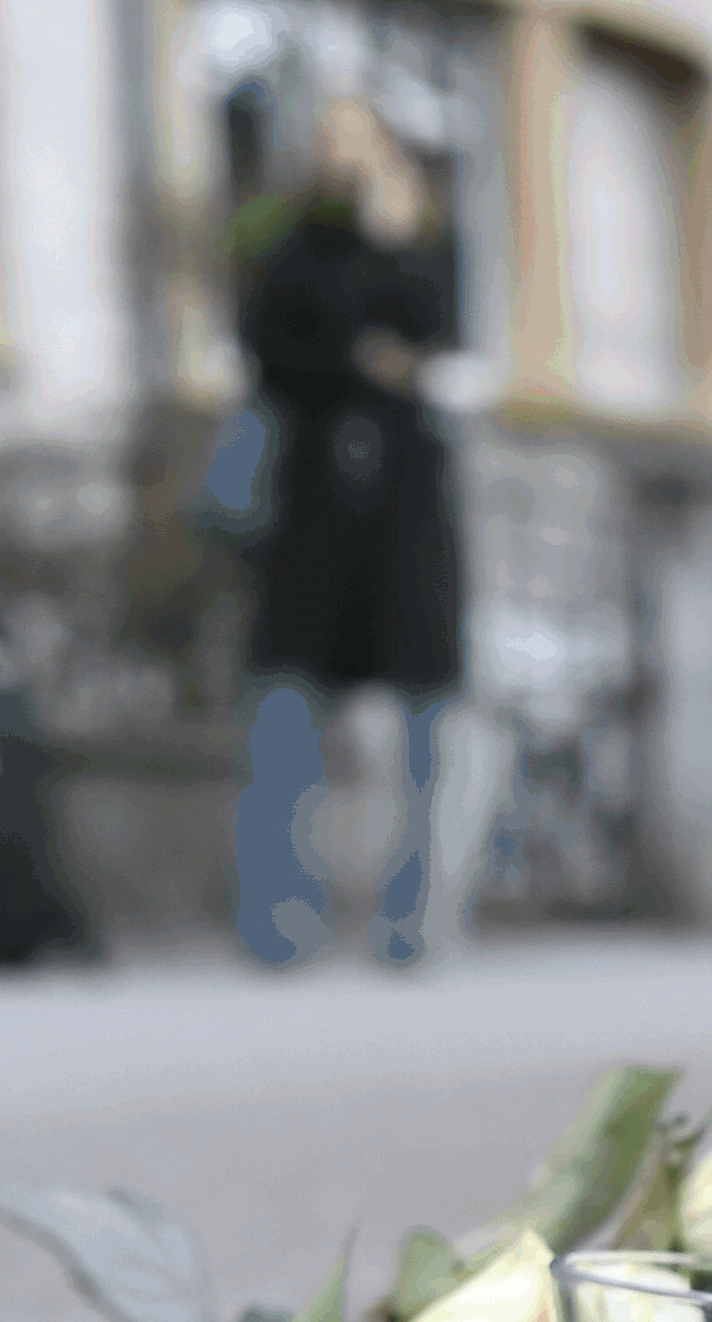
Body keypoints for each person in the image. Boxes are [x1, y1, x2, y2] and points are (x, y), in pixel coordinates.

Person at [231, 97, 463, 965]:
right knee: (286, 706)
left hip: (403, 504)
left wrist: (398, 243)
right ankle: (277, 923)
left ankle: (412, 923)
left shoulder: (423, 243)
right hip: (313, 505)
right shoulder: (290, 246)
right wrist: (361, 357)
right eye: (332, 140)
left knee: (421, 714)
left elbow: (440, 333)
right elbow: (267, 345)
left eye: (365, 140)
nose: (349, 157)